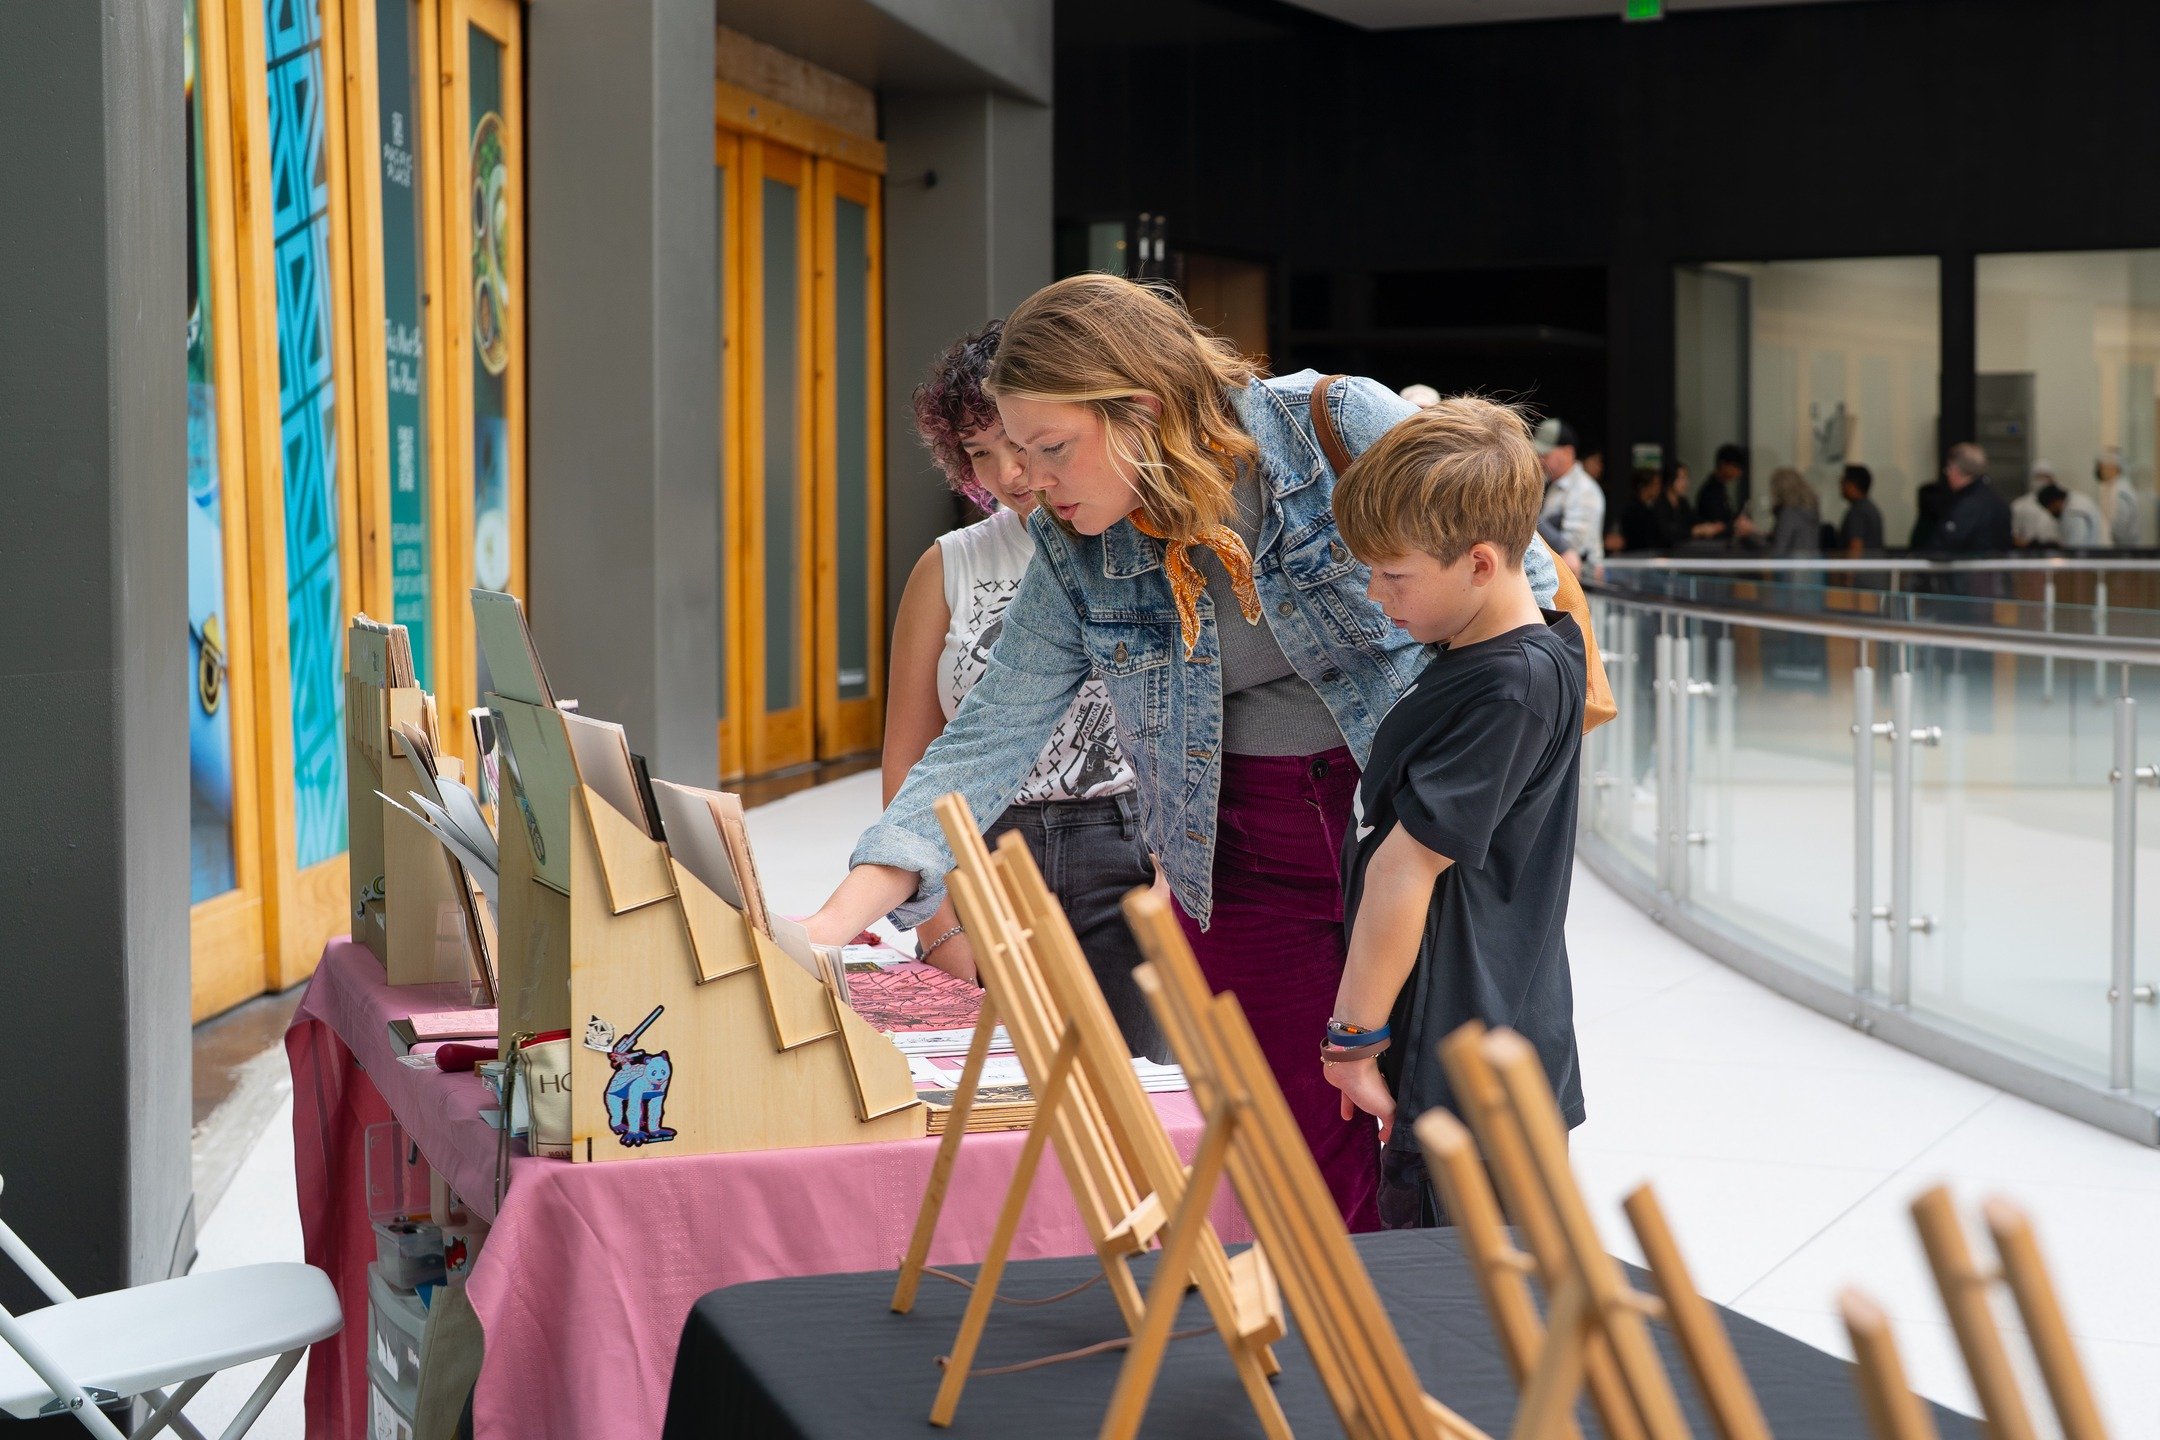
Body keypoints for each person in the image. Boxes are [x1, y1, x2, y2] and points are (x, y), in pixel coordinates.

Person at [802, 273, 1563, 1230]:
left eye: (1052, 449)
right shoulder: (1077, 548)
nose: (1027, 482)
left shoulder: (1329, 427)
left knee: (1460, 1134)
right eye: (1016, 452)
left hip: (1418, 832)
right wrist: (833, 925)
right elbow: (985, 737)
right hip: (1240, 858)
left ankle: (1465, 1357)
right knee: (1303, 1157)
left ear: (1142, 412)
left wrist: (1514, 793)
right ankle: (1343, 1361)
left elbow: (1526, 596)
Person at [1322, 397, 1587, 1229]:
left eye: (1395, 575)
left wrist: (1353, 1040)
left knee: (1471, 1298)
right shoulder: (1516, 653)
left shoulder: (1509, 685)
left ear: (1480, 563)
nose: (1375, 594)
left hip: (1464, 1036)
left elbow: (1407, 866)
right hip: (1485, 1016)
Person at [884, 320, 1166, 1059]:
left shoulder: (1147, 546)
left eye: (1022, 444)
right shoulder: (947, 565)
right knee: (1001, 1095)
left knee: (1138, 1089)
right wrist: (937, 922)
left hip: (1130, 847)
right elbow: (909, 762)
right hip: (987, 851)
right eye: (981, 452)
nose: (1009, 473)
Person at [1535, 418, 1605, 565]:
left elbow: (1572, 549)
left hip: (1581, 582)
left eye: (1545, 454)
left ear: (1568, 452)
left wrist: (1534, 521)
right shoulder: (1546, 482)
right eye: (1538, 453)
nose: (1539, 459)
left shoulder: (1585, 490)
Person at [1693, 444, 1745, 542]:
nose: (1738, 472)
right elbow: (1717, 521)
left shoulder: (1720, 488)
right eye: (1735, 466)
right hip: (1713, 543)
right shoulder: (1710, 492)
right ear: (1723, 465)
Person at [1766, 467, 1822, 557]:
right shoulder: (1810, 510)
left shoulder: (1789, 513)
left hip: (1792, 566)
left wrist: (1752, 535)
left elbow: (1779, 549)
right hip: (1811, 564)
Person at [1612, 467, 1667, 554]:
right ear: (1644, 487)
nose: (1658, 488)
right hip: (1637, 557)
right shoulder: (1632, 510)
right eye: (1655, 484)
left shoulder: (1654, 508)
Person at [2011, 461, 2062, 549]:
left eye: (2046, 476)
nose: (2042, 481)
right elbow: (2013, 534)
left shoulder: (2058, 504)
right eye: (2039, 476)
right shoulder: (2018, 505)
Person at [1837, 464, 1885, 557]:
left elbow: (1855, 546)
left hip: (1862, 570)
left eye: (1843, 482)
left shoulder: (1858, 511)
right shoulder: (1870, 507)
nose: (1840, 486)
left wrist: (1848, 570)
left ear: (1852, 484)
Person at [2040, 481, 2105, 548]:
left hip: (2095, 554)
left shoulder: (2074, 512)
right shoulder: (2075, 501)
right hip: (2095, 551)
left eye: (2050, 508)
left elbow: (2075, 545)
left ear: (2055, 502)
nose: (2050, 512)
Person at [2099, 446, 2138, 547]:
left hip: (2123, 549)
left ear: (2113, 468)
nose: (2100, 471)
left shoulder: (2121, 491)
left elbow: (2119, 528)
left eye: (2102, 467)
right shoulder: (2112, 488)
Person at [1659, 461, 1698, 547]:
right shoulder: (1659, 504)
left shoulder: (1683, 503)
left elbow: (1693, 521)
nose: (1686, 483)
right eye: (1681, 478)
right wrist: (1693, 531)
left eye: (1686, 478)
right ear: (1670, 479)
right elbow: (1666, 533)